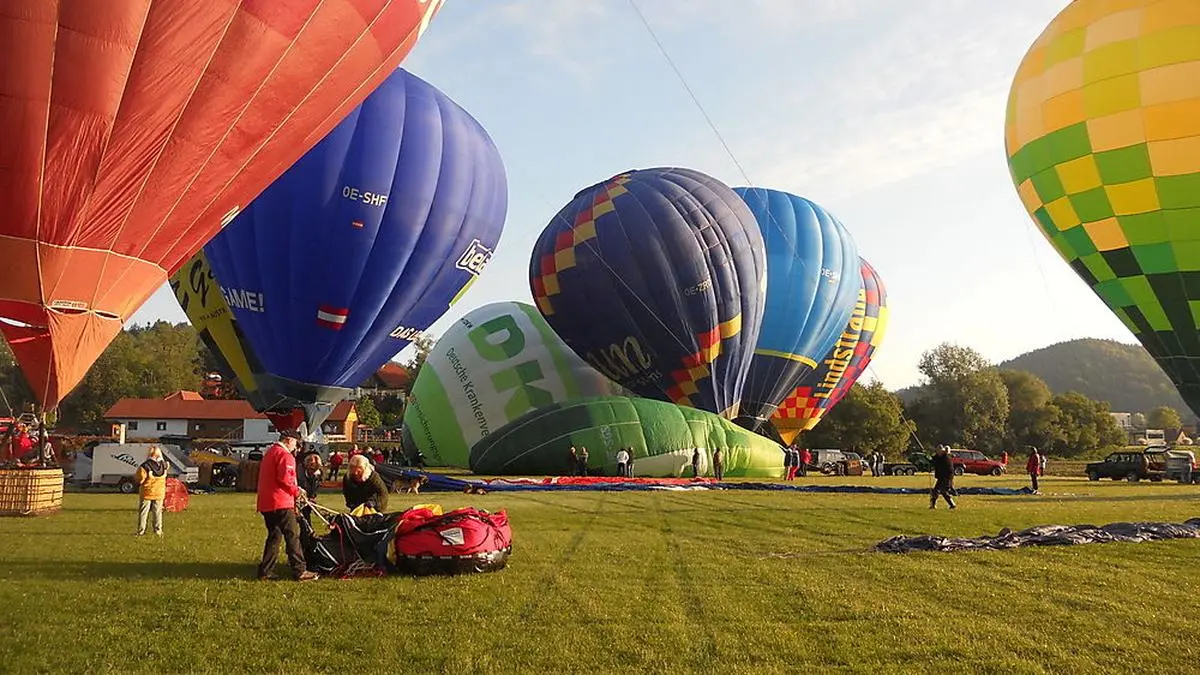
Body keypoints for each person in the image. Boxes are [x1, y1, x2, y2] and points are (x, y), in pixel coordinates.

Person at [256, 429, 317, 582]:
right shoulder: (285, 455)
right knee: (292, 536)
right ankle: (299, 570)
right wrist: (298, 491)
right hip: (281, 502)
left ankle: (266, 571)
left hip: (266, 502)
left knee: (274, 536)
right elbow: (285, 479)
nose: (296, 447)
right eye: (296, 443)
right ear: (289, 440)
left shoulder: (270, 452)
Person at [134, 446, 167, 536]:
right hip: (159, 492)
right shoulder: (164, 465)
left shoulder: (145, 466)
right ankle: (158, 531)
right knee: (158, 512)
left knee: (143, 512)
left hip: (147, 492)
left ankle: (141, 531)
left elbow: (140, 479)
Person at [298, 453, 323, 526]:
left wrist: (312, 497)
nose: (314, 471)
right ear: (307, 465)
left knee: (306, 516)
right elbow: (301, 486)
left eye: (317, 468)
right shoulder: (299, 473)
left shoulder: (318, 474)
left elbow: (315, 488)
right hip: (298, 497)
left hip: (307, 498)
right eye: (312, 469)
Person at [930, 445, 957, 509]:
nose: (937, 452)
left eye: (938, 451)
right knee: (935, 490)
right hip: (941, 477)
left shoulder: (945, 458)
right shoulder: (939, 456)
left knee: (943, 491)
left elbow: (937, 463)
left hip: (947, 476)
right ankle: (933, 505)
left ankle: (952, 504)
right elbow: (933, 460)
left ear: (941, 451)